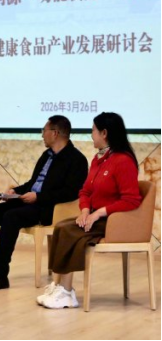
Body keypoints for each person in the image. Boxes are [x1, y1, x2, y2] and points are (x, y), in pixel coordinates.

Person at [0, 115, 89, 291]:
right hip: (30, 202)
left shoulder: (76, 160)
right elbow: (33, 183)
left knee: (12, 216)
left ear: (55, 133)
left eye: (44, 131)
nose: (42, 135)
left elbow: (70, 192)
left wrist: (38, 197)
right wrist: (15, 192)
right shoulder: (46, 155)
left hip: (50, 208)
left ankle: (0, 274)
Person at [37, 112, 142, 309]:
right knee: (61, 227)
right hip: (94, 215)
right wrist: (85, 210)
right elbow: (85, 191)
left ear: (104, 133)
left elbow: (131, 200)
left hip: (112, 221)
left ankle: (66, 292)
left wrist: (98, 213)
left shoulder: (123, 161)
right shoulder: (98, 159)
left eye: (93, 130)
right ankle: (59, 285)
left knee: (70, 232)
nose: (91, 134)